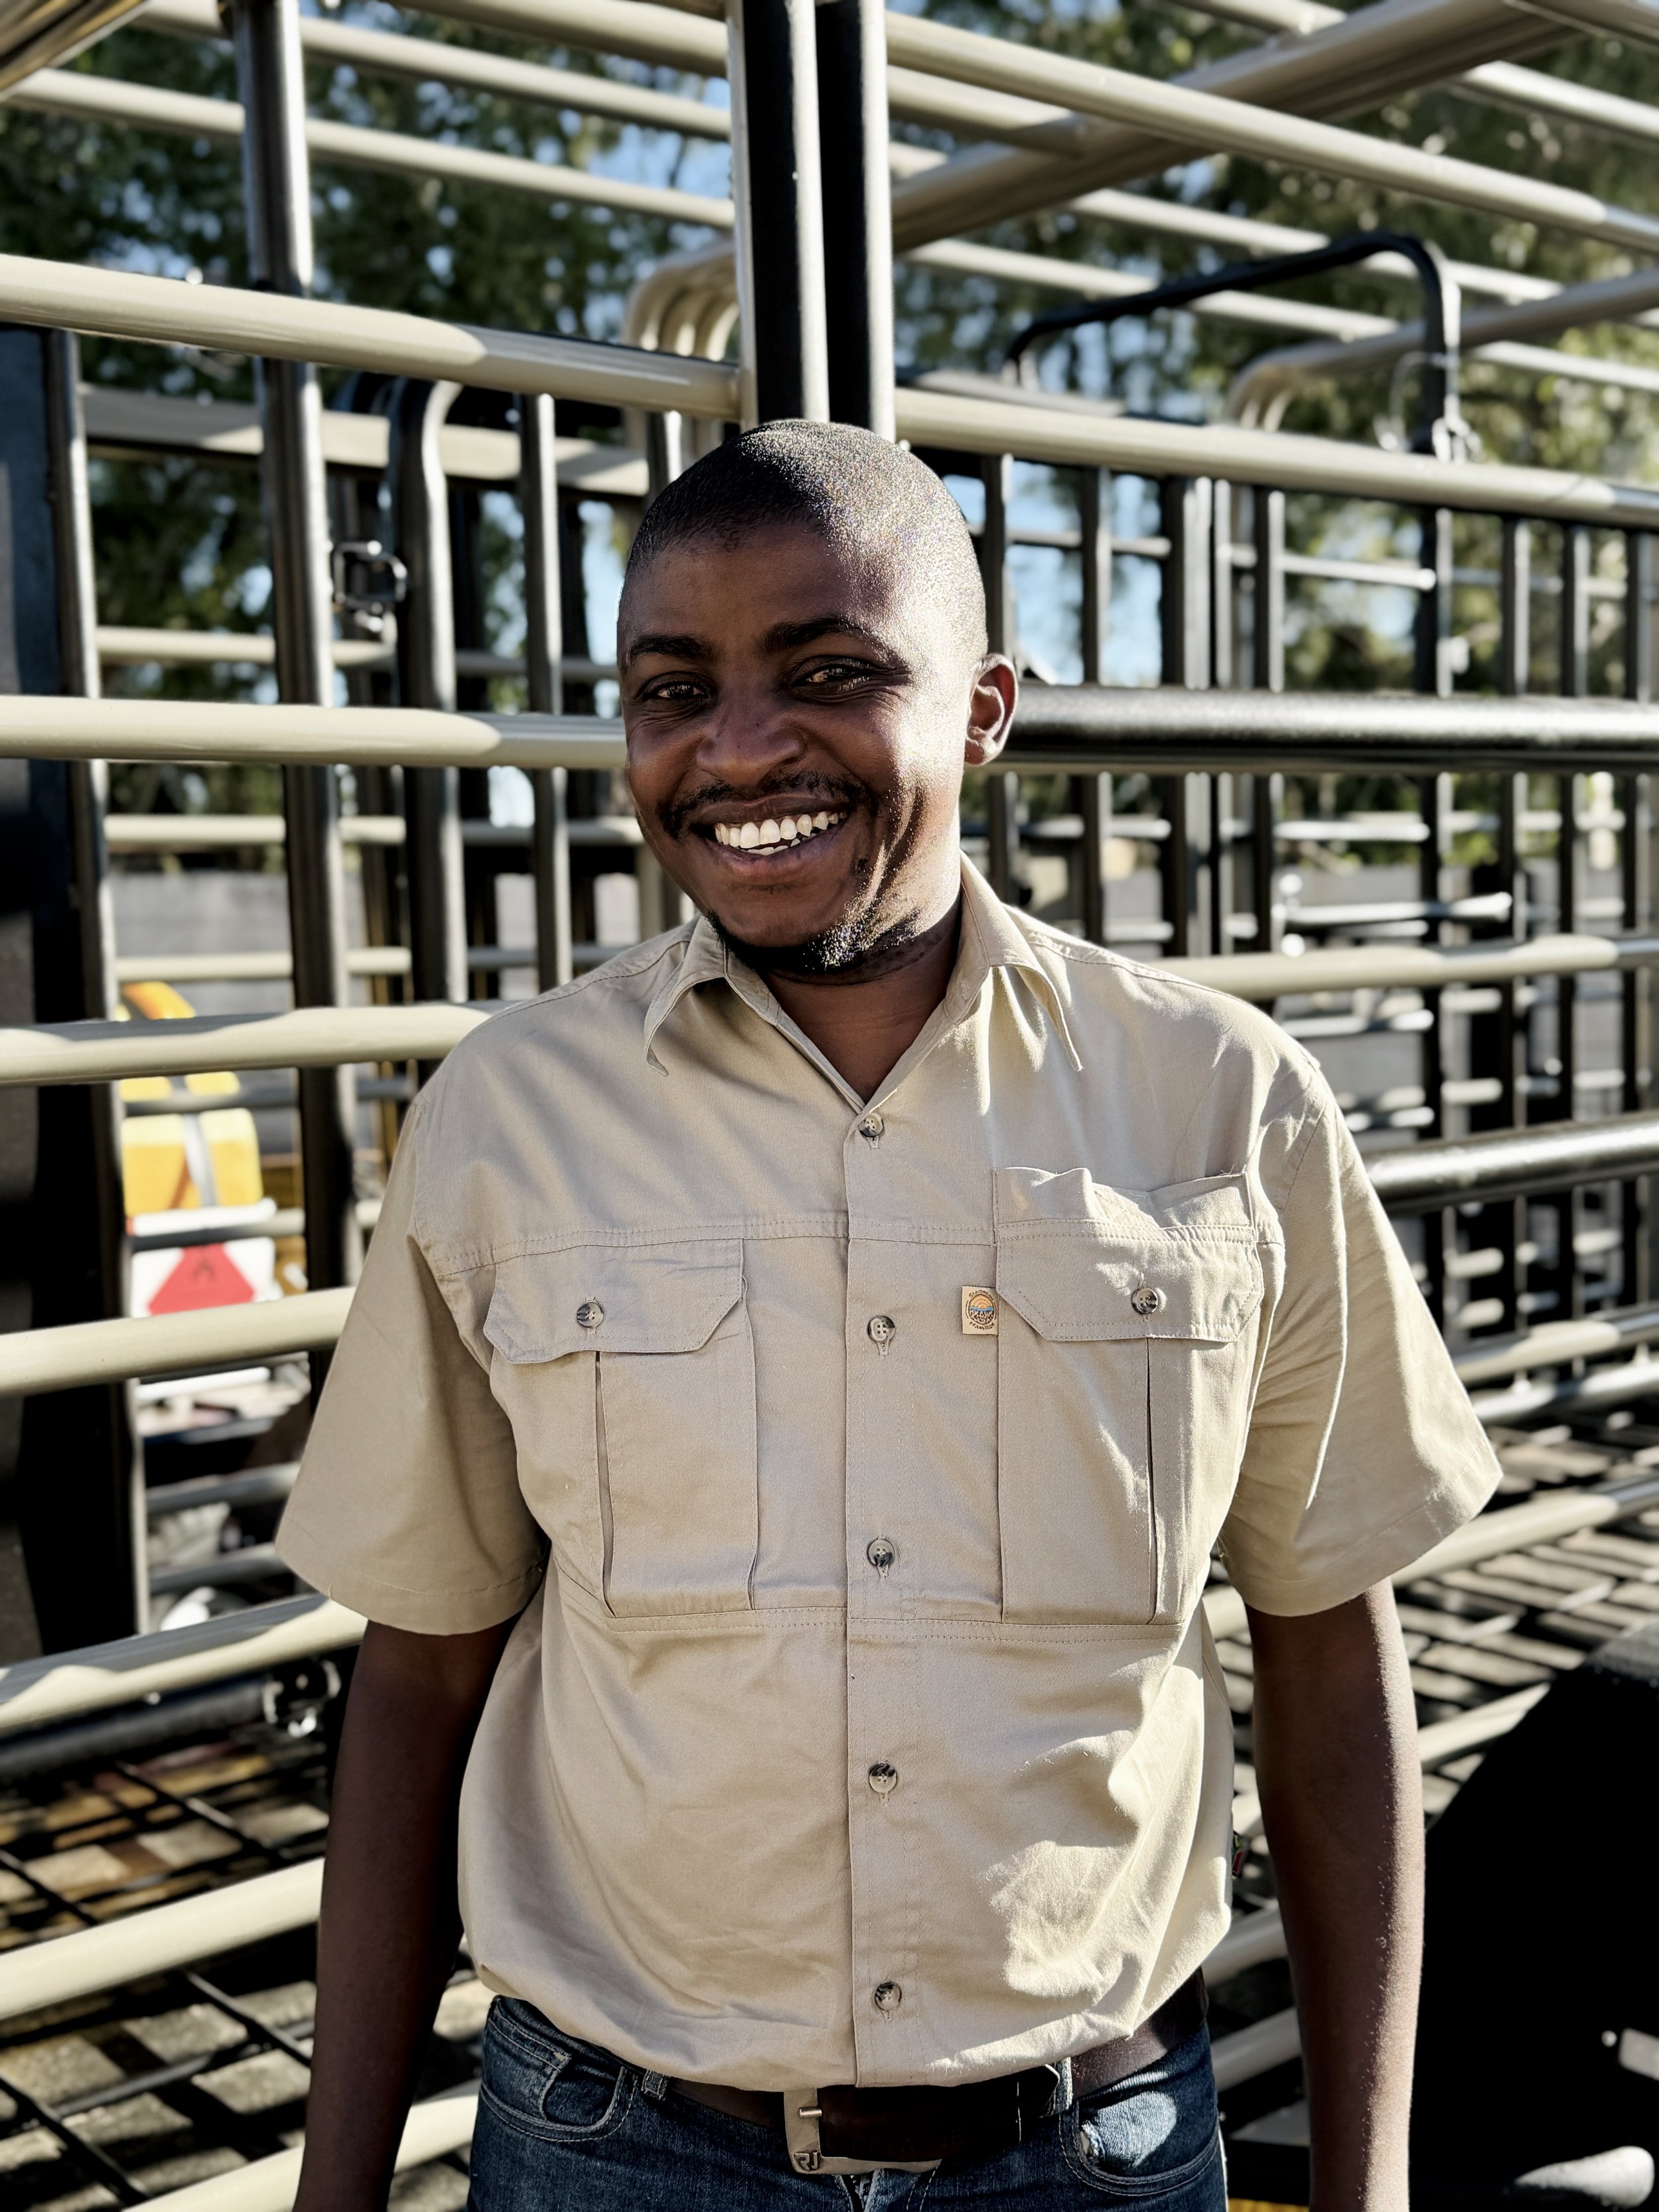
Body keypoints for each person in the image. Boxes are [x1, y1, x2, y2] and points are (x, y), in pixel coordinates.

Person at [278, 420, 1500, 2212]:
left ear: (986, 706)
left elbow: (1327, 1655)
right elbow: (419, 1671)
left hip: (1085, 2152)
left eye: (830, 671)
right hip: (615, 2147)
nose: (742, 745)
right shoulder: (506, 1120)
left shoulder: (1220, 1105)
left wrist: (1367, 2184)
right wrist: (334, 2193)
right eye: (671, 688)